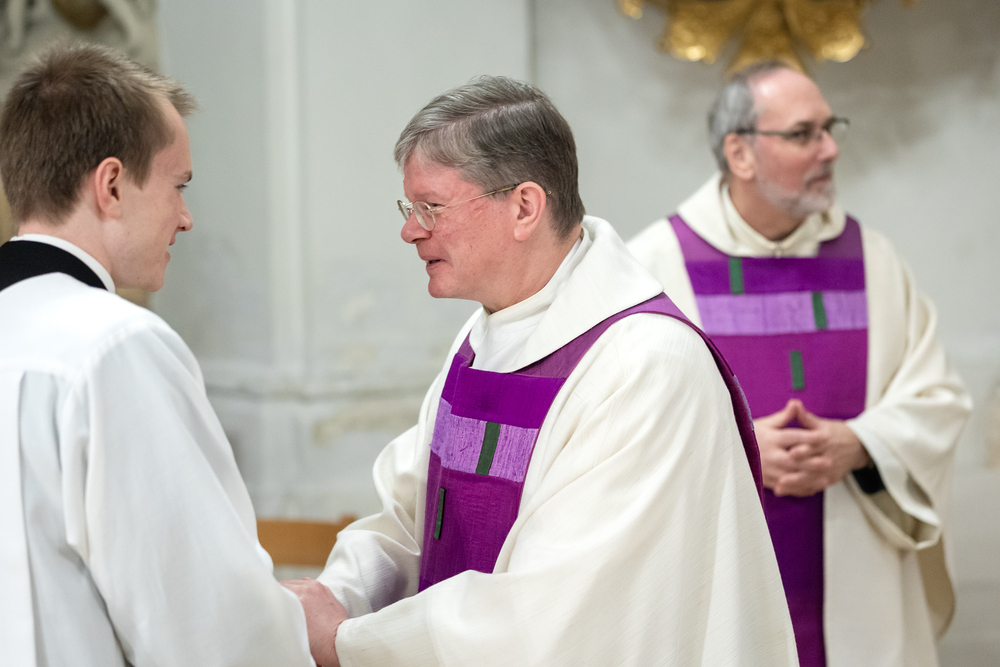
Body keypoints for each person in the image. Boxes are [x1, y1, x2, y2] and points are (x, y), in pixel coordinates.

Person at [281, 76, 797, 667]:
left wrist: (348, 643)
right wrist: (337, 596)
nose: (410, 229)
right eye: (410, 207)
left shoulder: (645, 365)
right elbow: (410, 515)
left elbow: (556, 614)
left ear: (524, 206)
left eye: (431, 208)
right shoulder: (485, 337)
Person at [628, 62, 973, 667]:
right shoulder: (653, 269)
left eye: (830, 128)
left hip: (858, 586)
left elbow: (937, 398)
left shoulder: (872, 259)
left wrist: (860, 443)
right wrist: (737, 447)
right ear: (739, 153)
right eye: (803, 134)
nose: (830, 149)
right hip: (717, 586)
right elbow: (613, 431)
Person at [0, 44, 312, 666]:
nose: (186, 218)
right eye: (179, 185)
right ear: (112, 185)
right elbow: (208, 625)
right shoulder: (112, 346)